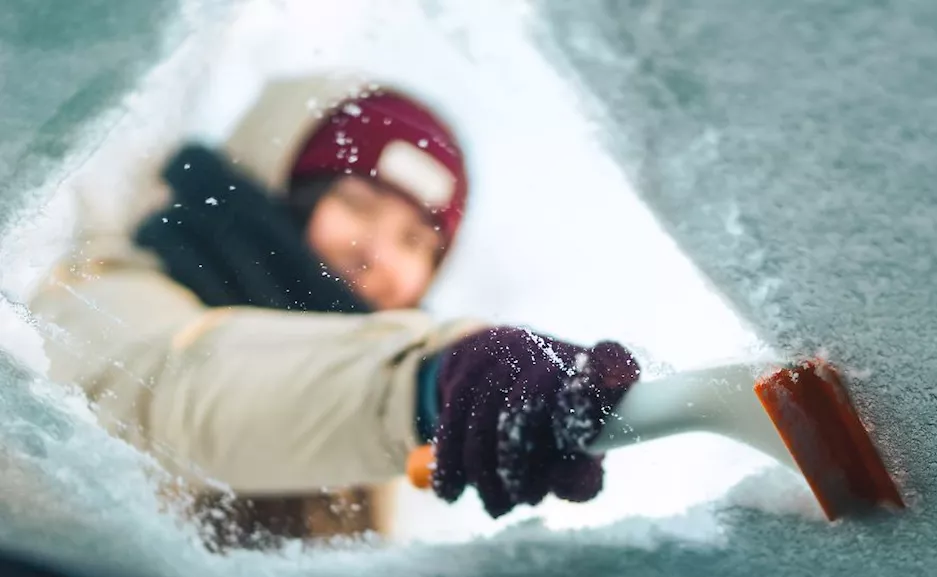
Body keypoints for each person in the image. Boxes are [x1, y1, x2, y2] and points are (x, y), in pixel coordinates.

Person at [28, 74, 641, 550]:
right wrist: (428, 383)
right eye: (356, 203)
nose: (379, 254)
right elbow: (182, 392)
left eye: (417, 243)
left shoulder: (390, 459)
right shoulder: (102, 292)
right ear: (280, 188)